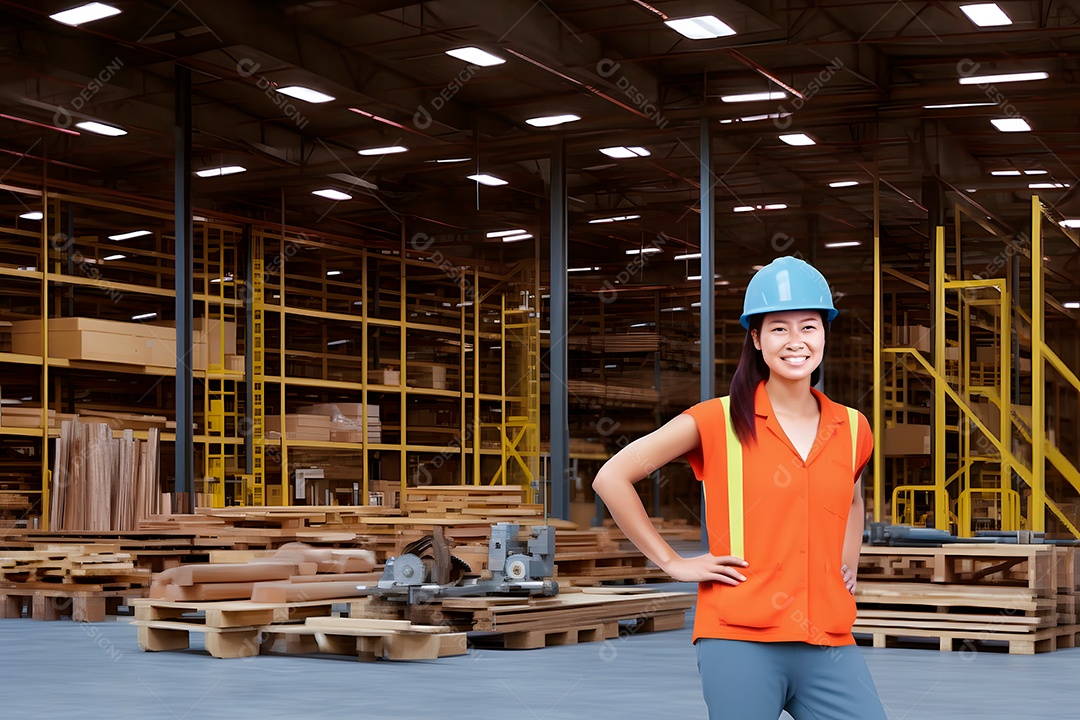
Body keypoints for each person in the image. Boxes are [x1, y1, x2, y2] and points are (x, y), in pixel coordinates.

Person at [592, 256, 886, 720]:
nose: (796, 342)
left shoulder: (852, 426)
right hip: (740, 638)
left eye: (808, 327)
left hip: (828, 639)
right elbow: (612, 476)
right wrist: (672, 563)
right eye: (778, 329)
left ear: (825, 334)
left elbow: (851, 496)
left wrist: (847, 565)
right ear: (756, 338)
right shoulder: (716, 420)